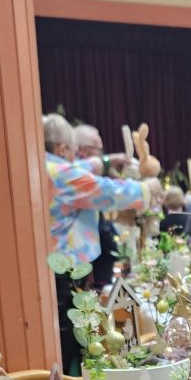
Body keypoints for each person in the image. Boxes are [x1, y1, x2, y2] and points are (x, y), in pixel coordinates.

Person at [44, 114, 148, 374]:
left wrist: (108, 160)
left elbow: (83, 167)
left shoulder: (44, 165)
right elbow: (109, 192)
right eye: (73, 151)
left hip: (55, 267)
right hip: (65, 271)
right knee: (73, 338)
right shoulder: (61, 174)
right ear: (62, 149)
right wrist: (148, 188)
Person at [73, 124, 118, 290]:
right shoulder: (75, 175)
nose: (102, 155)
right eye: (99, 150)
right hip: (74, 258)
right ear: (84, 150)